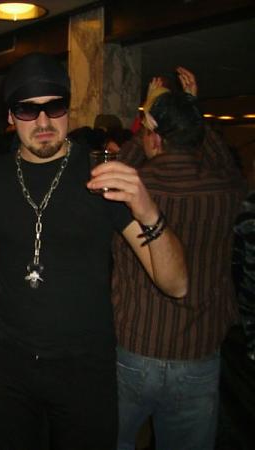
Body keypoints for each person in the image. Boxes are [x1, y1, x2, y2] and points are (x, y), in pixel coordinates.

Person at [0, 53, 188, 450]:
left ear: (68, 109)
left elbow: (176, 284)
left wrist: (147, 209)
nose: (43, 122)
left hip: (85, 369)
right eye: (28, 110)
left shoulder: (100, 174)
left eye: (55, 107)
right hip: (7, 366)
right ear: (10, 116)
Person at [113, 70, 245, 450]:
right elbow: (227, 165)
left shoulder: (134, 190)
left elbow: (117, 167)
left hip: (134, 347)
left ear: (154, 137)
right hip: (198, 354)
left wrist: (148, 113)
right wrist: (191, 111)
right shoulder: (226, 190)